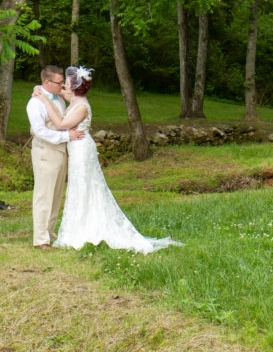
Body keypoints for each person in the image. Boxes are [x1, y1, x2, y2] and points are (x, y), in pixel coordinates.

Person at [32, 66, 181, 253]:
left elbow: (62, 124)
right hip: (73, 148)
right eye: (62, 84)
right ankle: (72, 228)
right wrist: (39, 89)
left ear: (75, 88)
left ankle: (84, 228)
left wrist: (45, 99)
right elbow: (54, 90)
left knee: (85, 186)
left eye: (67, 84)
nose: (63, 87)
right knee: (78, 188)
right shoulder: (73, 99)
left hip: (81, 149)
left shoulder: (81, 105)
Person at [26, 65, 85, 250]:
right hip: (45, 151)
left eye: (62, 83)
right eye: (58, 83)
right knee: (44, 195)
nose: (62, 86)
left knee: (56, 195)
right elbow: (40, 131)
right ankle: (40, 239)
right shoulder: (35, 103)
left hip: (61, 152)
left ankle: (50, 232)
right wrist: (66, 136)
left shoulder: (58, 97)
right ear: (46, 82)